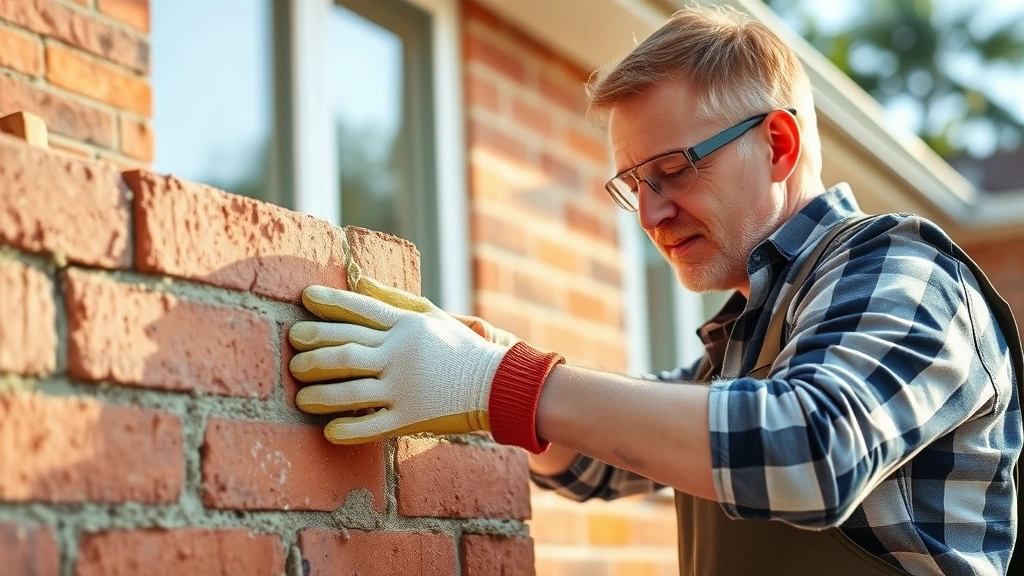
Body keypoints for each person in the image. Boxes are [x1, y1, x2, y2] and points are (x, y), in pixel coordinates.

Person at [286, 5, 1021, 575]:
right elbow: (595, 462)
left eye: (672, 170)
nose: (650, 214)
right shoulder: (748, 334)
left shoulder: (905, 271)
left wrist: (501, 382)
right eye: (634, 184)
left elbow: (810, 448)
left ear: (779, 145)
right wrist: (480, 364)